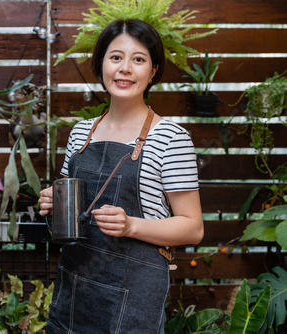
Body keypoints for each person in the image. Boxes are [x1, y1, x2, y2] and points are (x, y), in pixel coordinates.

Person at [38, 18, 204, 334]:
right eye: (116, 57)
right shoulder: (81, 133)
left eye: (138, 59)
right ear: (101, 64)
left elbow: (193, 228)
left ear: (153, 70)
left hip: (135, 299)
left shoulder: (171, 138)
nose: (125, 68)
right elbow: (67, 213)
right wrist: (51, 201)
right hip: (73, 291)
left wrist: (131, 225)